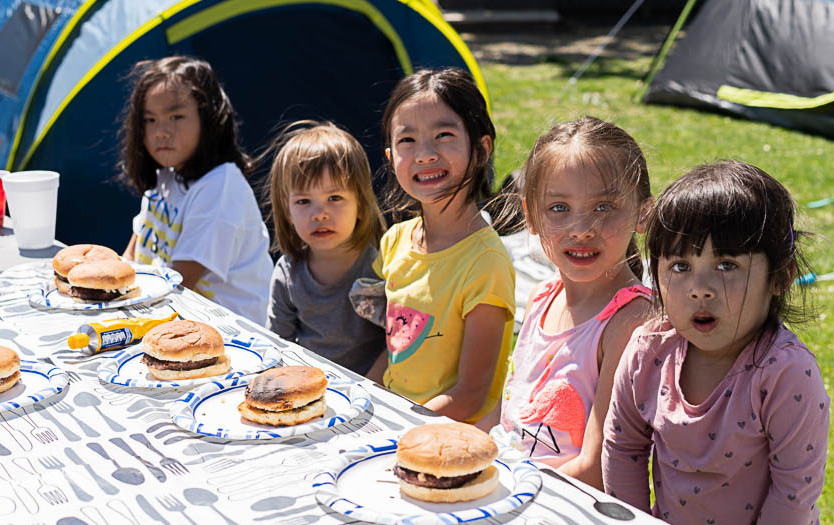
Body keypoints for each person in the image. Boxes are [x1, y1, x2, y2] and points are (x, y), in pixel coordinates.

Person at [602, 161, 829, 525]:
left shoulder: (785, 374)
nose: (700, 289)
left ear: (779, 278)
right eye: (680, 266)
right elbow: (623, 449)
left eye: (726, 265)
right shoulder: (648, 353)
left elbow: (793, 495)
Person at [485, 117, 656, 490]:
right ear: (530, 216)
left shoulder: (632, 322)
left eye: (604, 207)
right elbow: (510, 423)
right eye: (559, 208)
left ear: (643, 212)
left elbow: (595, 469)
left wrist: (500, 492)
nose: (581, 228)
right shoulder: (540, 298)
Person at [366, 68, 515, 424]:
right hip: (393, 424)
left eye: (443, 135)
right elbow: (398, 347)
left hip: (448, 441)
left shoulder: (486, 263)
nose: (425, 154)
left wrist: (395, 426)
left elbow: (470, 394)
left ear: (481, 150)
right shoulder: (395, 241)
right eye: (407, 140)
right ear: (390, 157)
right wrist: (363, 398)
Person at [118, 56, 272, 324]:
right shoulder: (166, 173)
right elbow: (132, 254)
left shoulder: (220, 186)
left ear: (209, 118)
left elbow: (179, 282)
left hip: (229, 336)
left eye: (176, 117)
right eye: (150, 120)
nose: (161, 132)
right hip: (165, 314)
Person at [264, 120, 386, 375]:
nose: (319, 214)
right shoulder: (288, 274)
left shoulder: (382, 268)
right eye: (304, 201)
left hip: (376, 392)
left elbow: (397, 345)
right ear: (287, 212)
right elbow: (277, 346)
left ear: (361, 204)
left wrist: (369, 387)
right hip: (310, 387)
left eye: (334, 198)